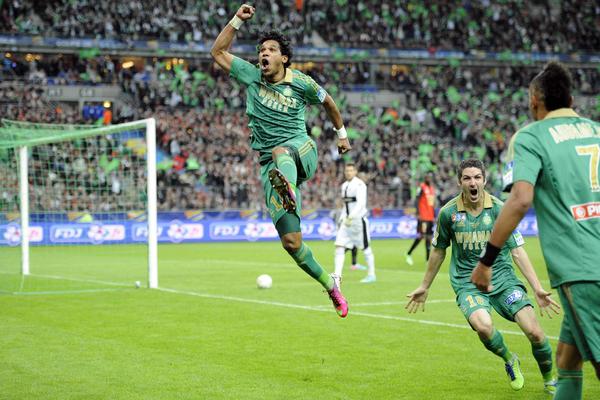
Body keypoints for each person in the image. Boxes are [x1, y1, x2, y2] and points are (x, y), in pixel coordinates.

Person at [210, 4, 351, 317]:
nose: (264, 53)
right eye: (261, 50)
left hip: (301, 150)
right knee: (291, 242)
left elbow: (328, 102)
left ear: (284, 58)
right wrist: (236, 20)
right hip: (271, 167)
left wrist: (341, 135)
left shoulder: (301, 83)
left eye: (271, 50)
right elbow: (218, 52)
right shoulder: (251, 76)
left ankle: (287, 187)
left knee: (280, 151)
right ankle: (331, 285)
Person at [471, 62, 600, 399]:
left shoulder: (531, 136)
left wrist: (486, 261)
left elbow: (520, 199)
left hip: (582, 267)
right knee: (567, 360)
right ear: (571, 99)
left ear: (533, 100)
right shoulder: (596, 131)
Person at [406, 159, 560, 394]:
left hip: (503, 279)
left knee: (535, 333)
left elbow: (517, 251)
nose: (473, 182)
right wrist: (424, 286)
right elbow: (438, 251)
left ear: (485, 180)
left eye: (477, 177)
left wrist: (537, 288)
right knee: (484, 327)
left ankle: (549, 380)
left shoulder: (500, 209)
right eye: (467, 178)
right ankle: (509, 359)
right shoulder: (448, 213)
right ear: (459, 182)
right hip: (468, 283)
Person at [333, 163, 376, 283]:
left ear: (355, 172)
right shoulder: (344, 186)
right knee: (339, 246)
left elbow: (361, 204)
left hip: (358, 221)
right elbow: (345, 206)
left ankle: (371, 275)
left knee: (365, 248)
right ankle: (337, 276)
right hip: (346, 222)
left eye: (351, 170)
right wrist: (342, 219)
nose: (348, 173)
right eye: (347, 171)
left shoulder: (360, 185)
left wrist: (351, 217)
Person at [405, 172, 435, 266]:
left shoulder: (431, 189)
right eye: (427, 177)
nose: (429, 179)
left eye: (430, 177)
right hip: (423, 217)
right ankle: (409, 253)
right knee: (422, 236)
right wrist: (418, 213)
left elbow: (431, 204)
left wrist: (433, 216)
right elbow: (416, 200)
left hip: (430, 217)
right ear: (425, 178)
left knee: (429, 238)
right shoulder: (422, 187)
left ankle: (427, 260)